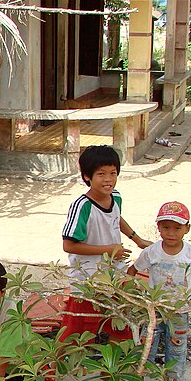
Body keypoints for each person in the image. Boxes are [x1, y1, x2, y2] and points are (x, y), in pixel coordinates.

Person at [61, 145, 151, 340]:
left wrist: (137, 239)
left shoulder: (115, 197)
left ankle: (117, 365)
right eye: (101, 174)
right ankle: (57, 364)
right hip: (88, 279)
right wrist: (108, 250)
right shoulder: (82, 206)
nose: (108, 179)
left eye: (113, 173)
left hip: (114, 275)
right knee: (78, 327)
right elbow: (69, 245)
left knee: (119, 322)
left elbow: (116, 218)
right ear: (87, 177)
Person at [127, 201, 191, 381]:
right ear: (158, 228)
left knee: (177, 345)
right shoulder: (151, 252)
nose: (171, 232)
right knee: (148, 343)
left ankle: (172, 379)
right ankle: (140, 377)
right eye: (166, 227)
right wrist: (131, 293)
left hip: (179, 309)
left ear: (187, 229)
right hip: (154, 308)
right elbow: (133, 270)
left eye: (177, 228)